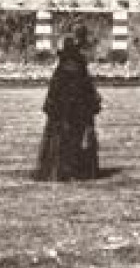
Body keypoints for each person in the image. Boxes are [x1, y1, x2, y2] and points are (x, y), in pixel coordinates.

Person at [35, 36, 102, 181]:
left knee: (60, 142)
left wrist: (53, 109)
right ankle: (80, 171)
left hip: (62, 113)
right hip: (79, 112)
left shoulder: (61, 69)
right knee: (79, 140)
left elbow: (53, 94)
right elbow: (89, 92)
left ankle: (62, 171)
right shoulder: (81, 68)